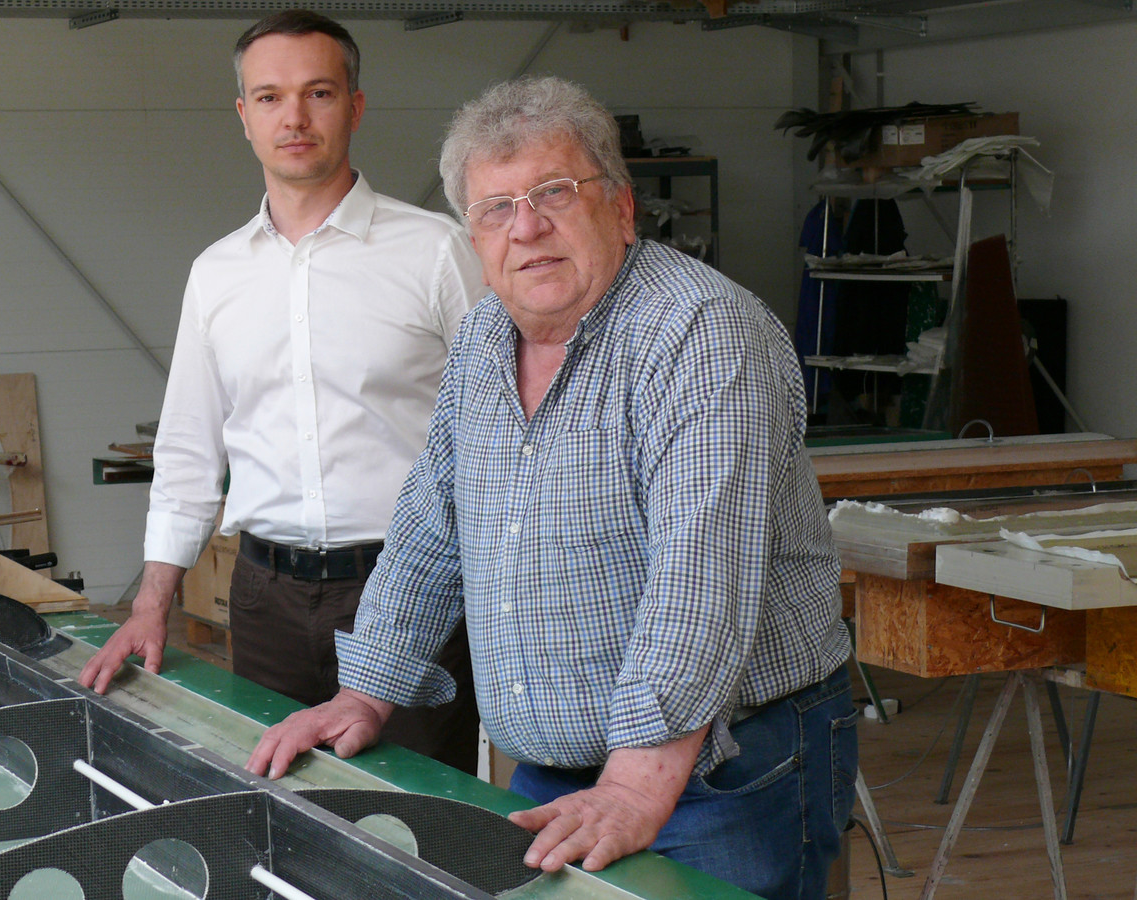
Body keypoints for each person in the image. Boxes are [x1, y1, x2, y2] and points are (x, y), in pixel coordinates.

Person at [247, 75, 856, 900]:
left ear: (622, 207)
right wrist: (366, 694)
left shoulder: (701, 334)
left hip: (720, 772)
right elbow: (432, 527)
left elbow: (700, 579)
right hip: (560, 770)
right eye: (496, 208)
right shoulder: (483, 338)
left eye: (555, 193)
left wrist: (634, 786)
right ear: (474, 235)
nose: (526, 227)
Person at [78, 10, 483, 774]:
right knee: (277, 807)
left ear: (355, 106)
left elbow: (505, 430)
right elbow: (189, 451)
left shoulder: (436, 253)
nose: (293, 117)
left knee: (420, 812)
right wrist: (150, 604)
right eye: (269, 97)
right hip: (263, 599)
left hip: (408, 593)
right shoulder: (217, 275)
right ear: (244, 116)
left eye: (318, 93)